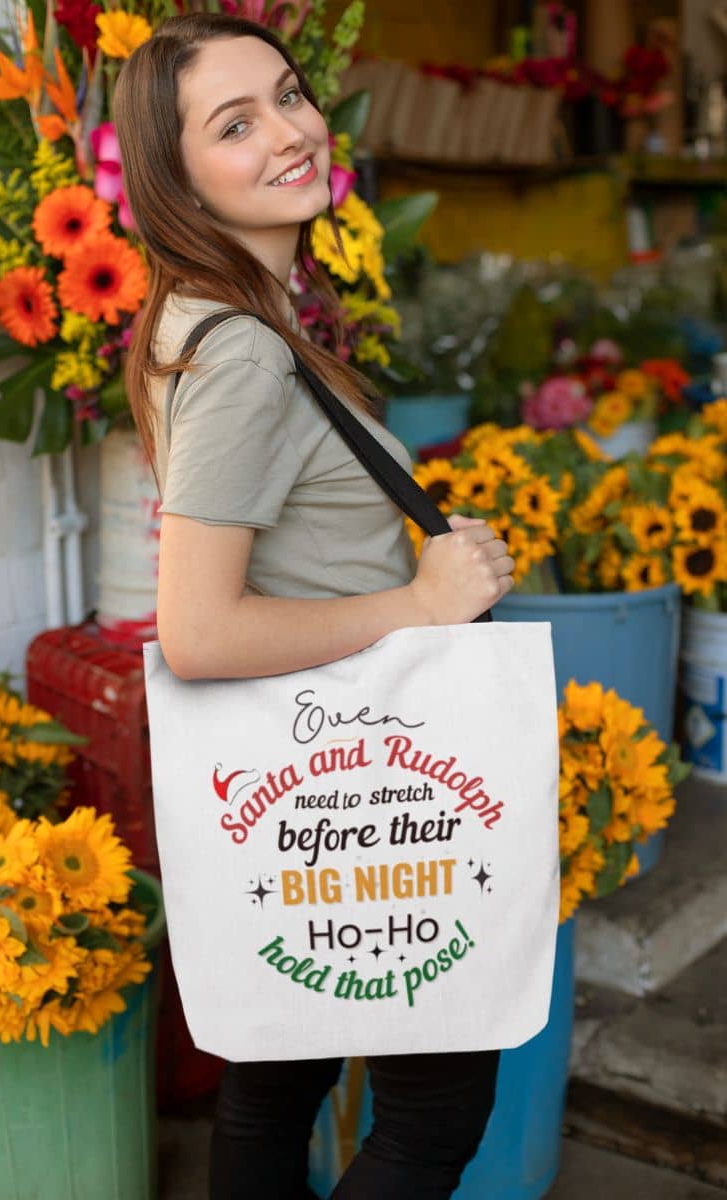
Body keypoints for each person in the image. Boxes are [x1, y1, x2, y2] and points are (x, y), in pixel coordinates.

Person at [114, 13, 515, 1199]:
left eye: (288, 96)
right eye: (235, 124)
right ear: (175, 175)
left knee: (273, 1092)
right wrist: (420, 600)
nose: (291, 131)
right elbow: (197, 631)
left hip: (303, 781)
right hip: (357, 786)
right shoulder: (238, 350)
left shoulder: (216, 321)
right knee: (434, 1112)